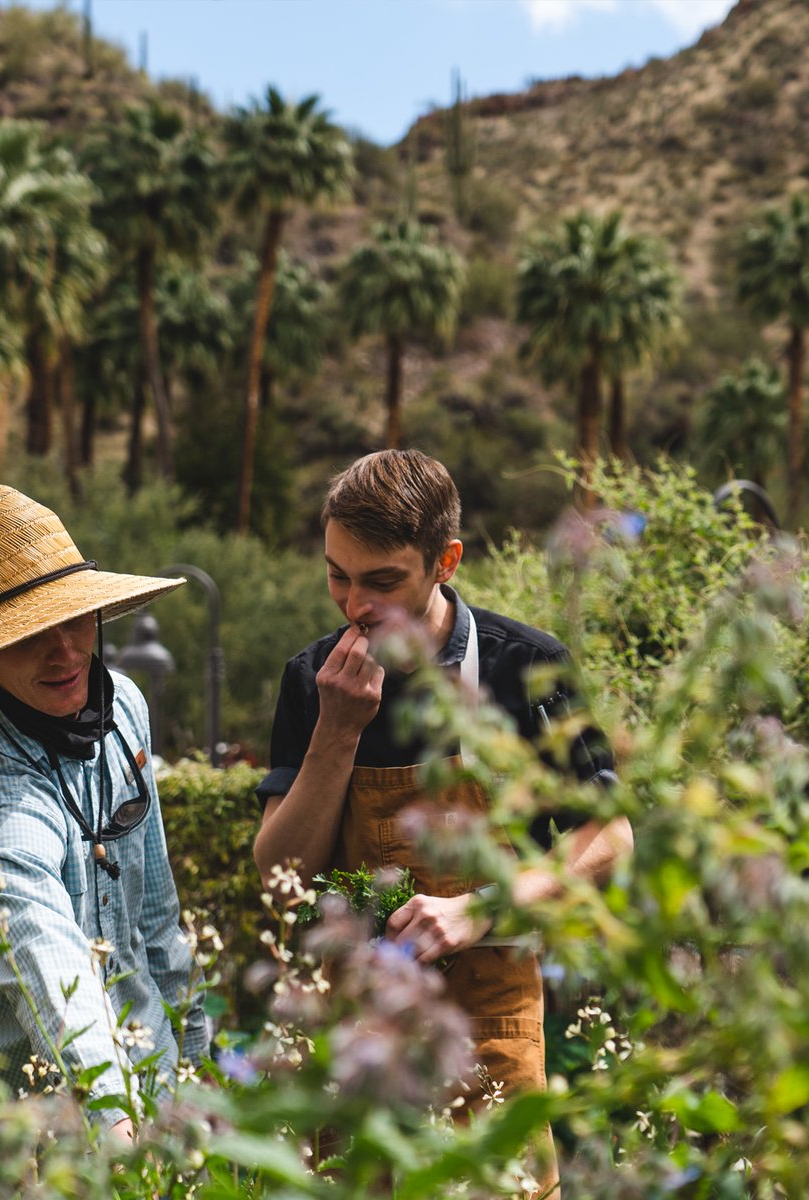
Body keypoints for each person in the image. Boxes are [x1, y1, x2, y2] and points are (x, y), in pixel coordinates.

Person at [253, 449, 633, 1196]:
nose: (355, 605)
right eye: (338, 575)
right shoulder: (313, 681)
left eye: (382, 581)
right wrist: (335, 733)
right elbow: (279, 877)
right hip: (355, 1041)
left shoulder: (525, 668)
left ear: (445, 561)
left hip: (492, 1029)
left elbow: (611, 839)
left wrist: (482, 907)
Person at [0, 485, 208, 1142]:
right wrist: (120, 1128)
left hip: (159, 1086)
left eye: (75, 619)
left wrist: (200, 1067)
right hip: (44, 1142)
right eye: (29, 635)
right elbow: (46, 960)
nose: (64, 651)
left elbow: (156, 922)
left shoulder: (124, 711)